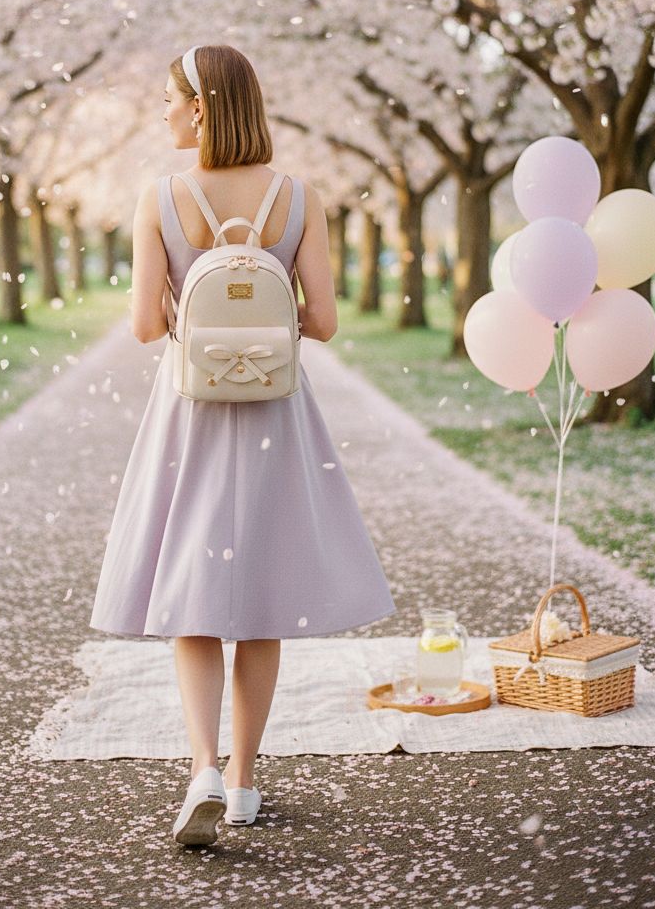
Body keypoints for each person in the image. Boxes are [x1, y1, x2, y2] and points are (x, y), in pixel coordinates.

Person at [89, 43, 397, 846]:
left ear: (201, 107)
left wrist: (189, 297)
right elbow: (323, 322)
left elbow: (147, 327)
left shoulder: (161, 197)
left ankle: (202, 767)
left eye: (169, 98)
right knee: (259, 601)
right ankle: (249, 781)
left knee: (193, 597)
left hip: (190, 412)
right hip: (273, 412)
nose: (162, 111)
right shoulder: (300, 198)